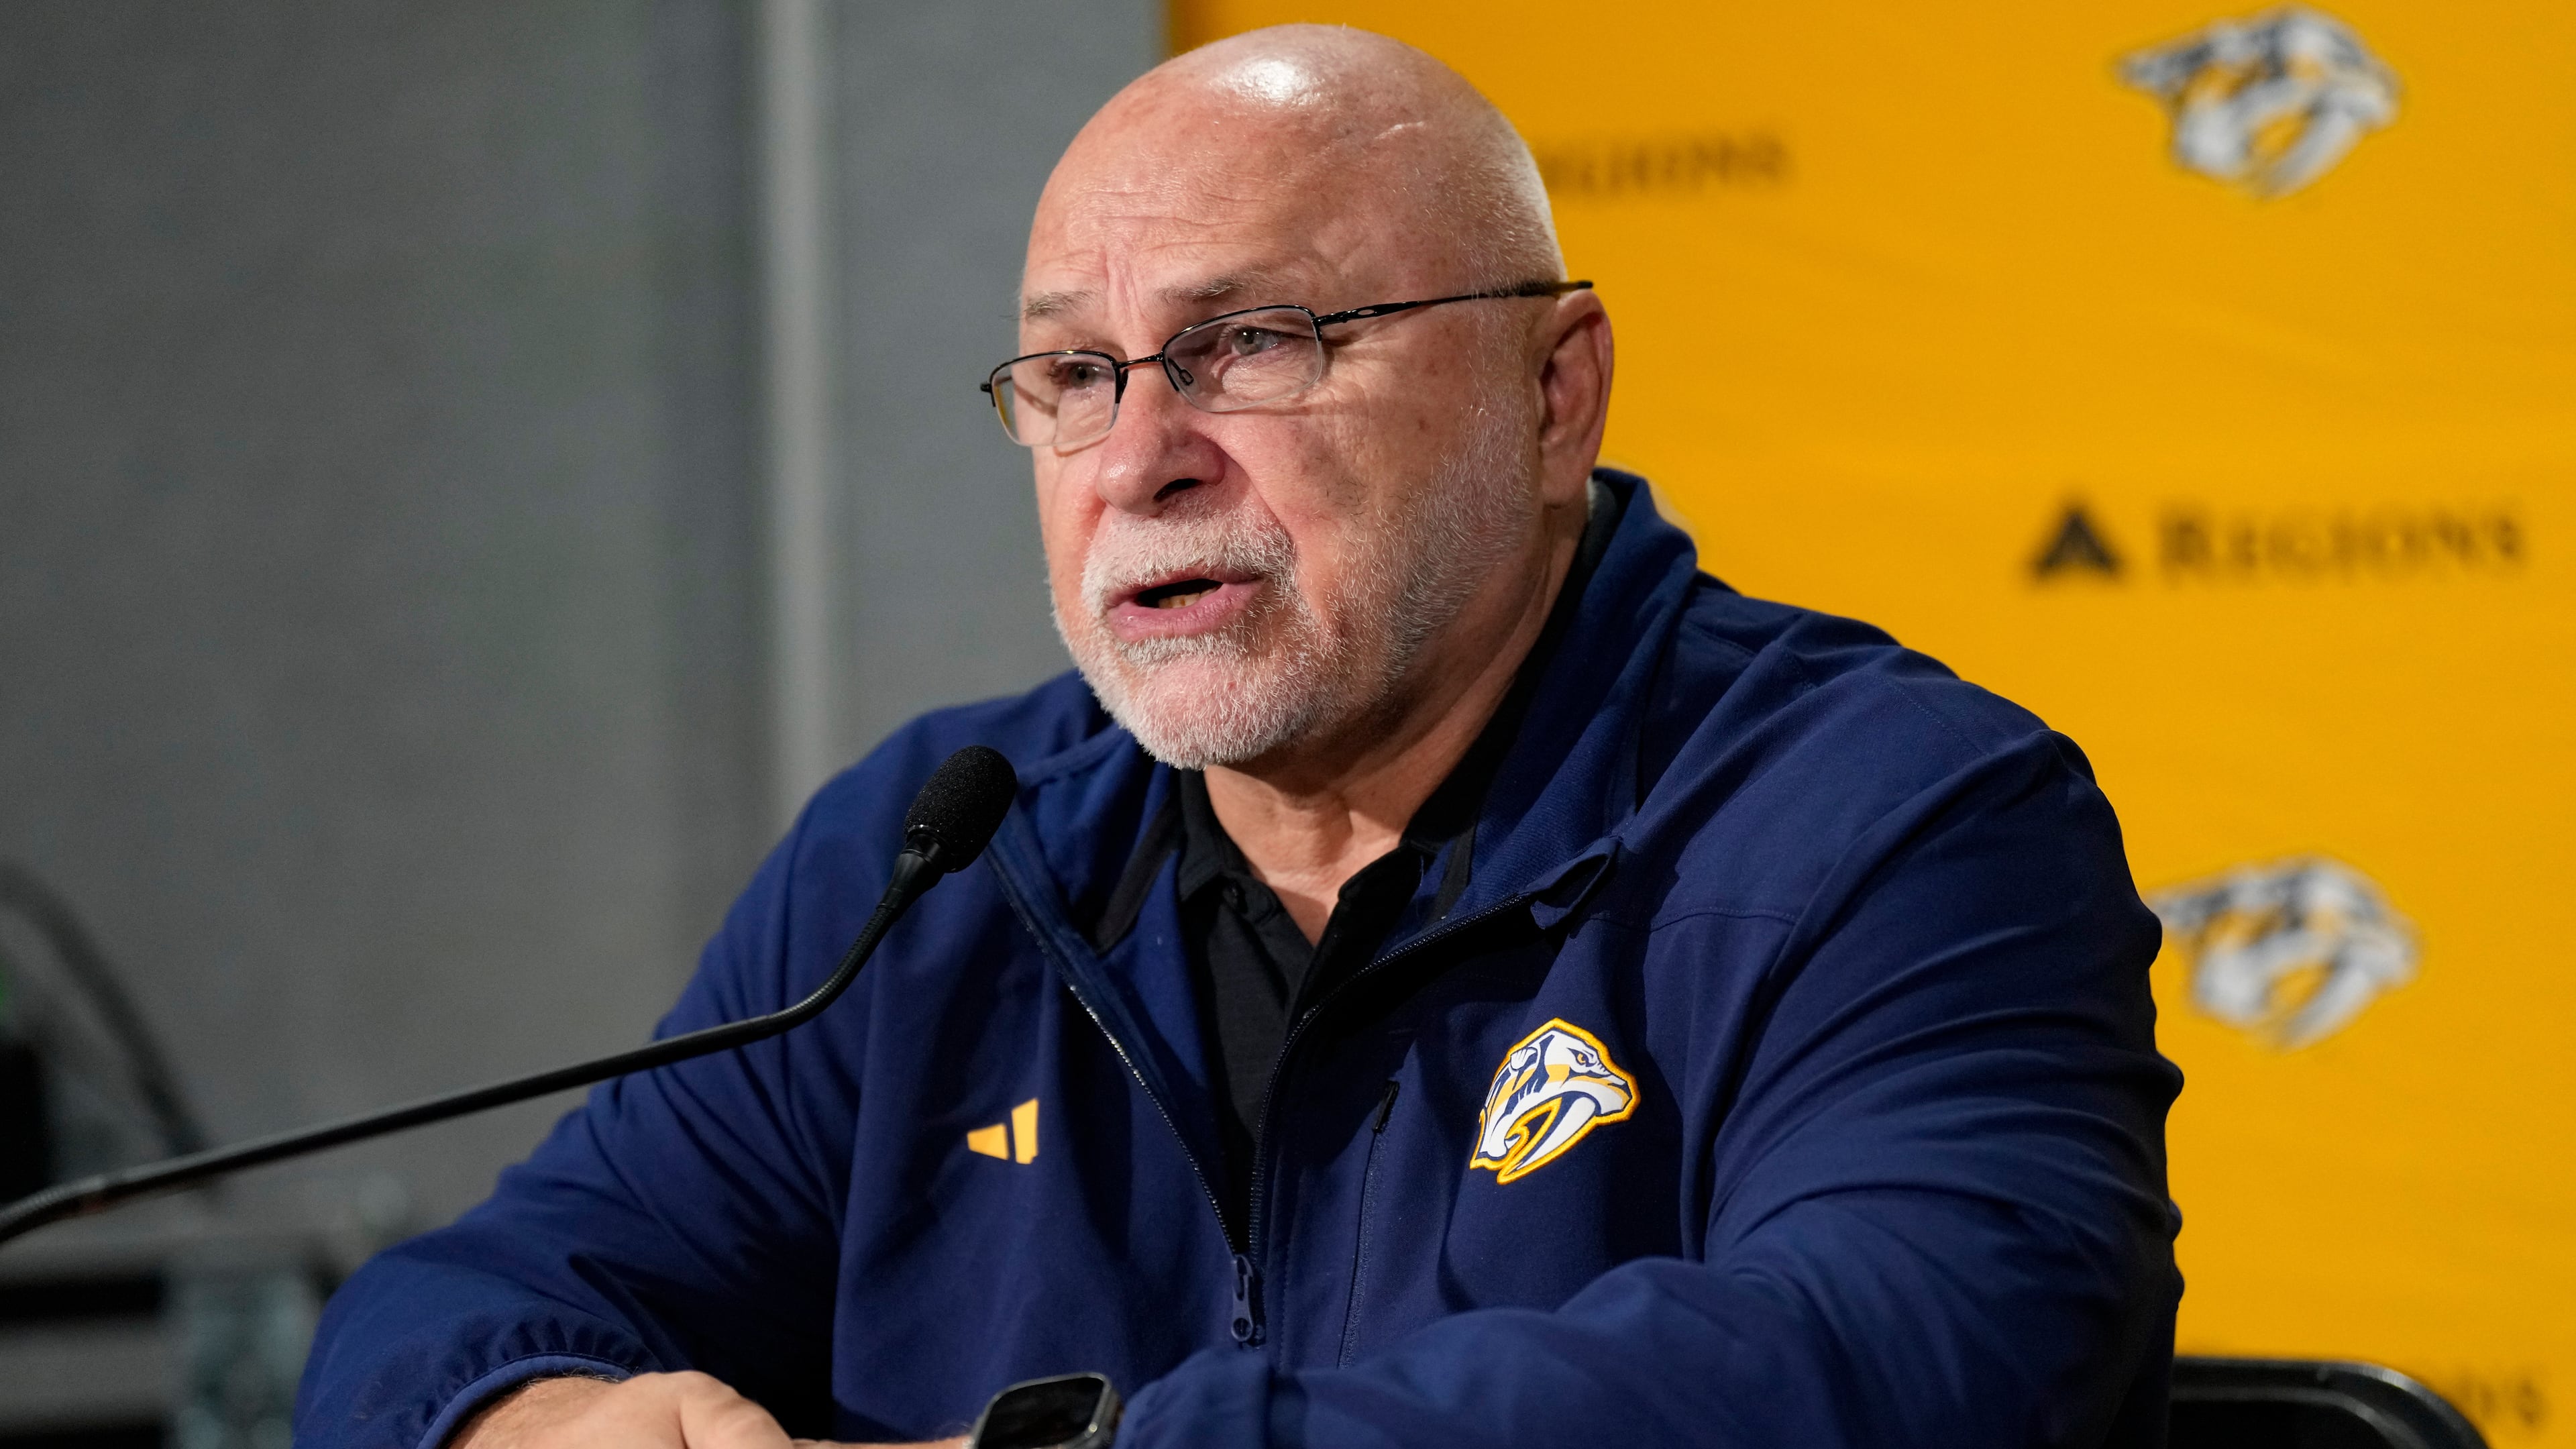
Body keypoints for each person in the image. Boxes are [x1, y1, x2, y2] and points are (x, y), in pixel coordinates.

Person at [298, 24, 2180, 1449]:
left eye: (1256, 343)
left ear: (1554, 394)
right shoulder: (946, 860)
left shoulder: (1888, 821)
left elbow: (1939, 1341)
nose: (1137, 458)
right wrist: (523, 1416)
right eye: (1071, 376)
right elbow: (458, 1307)